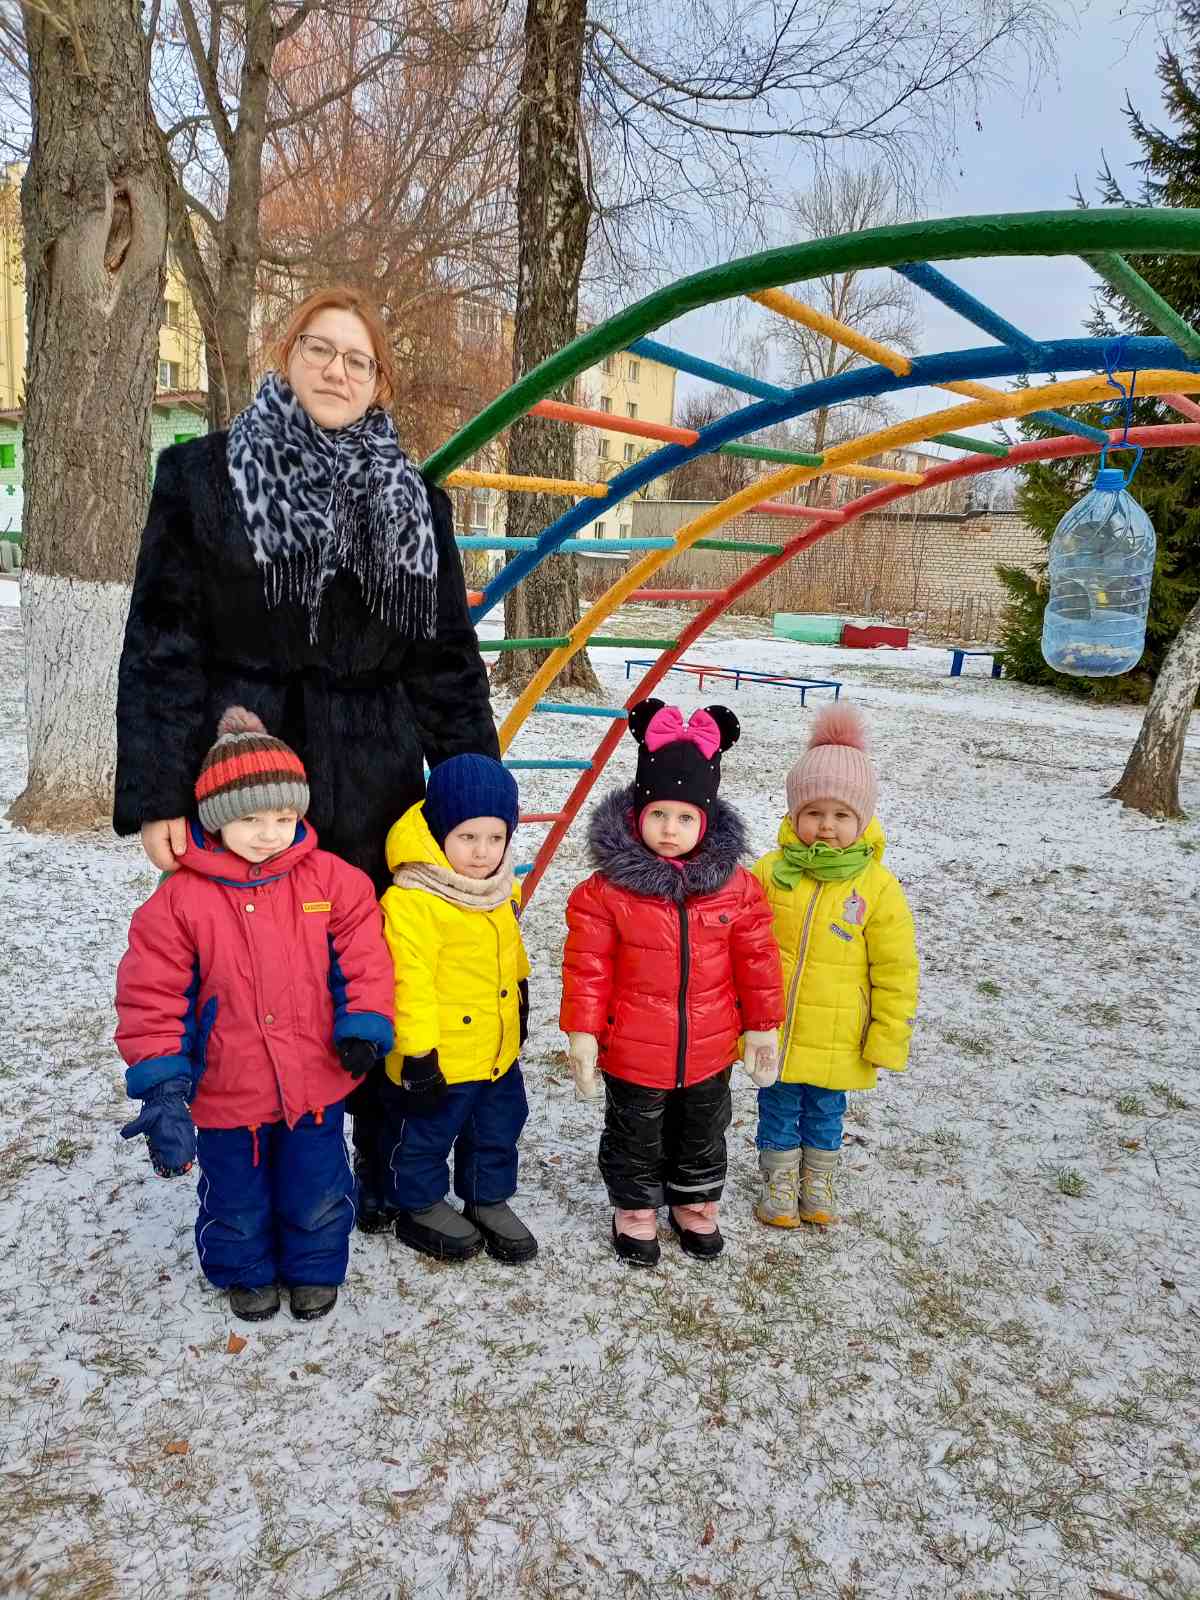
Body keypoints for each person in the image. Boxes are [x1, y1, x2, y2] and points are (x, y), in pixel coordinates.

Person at [113, 286, 497, 1232]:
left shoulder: (416, 501)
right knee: (254, 976)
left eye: (358, 360)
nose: (336, 370)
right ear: (285, 357)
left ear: (379, 382)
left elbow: (445, 660)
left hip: (376, 771)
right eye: (320, 349)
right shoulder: (203, 478)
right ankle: (255, 1167)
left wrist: (472, 796)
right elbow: (162, 642)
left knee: (371, 963)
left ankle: (380, 1168)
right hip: (247, 773)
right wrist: (159, 794)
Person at [115, 708, 395, 1322]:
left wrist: (364, 1022)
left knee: (317, 1182)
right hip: (228, 1086)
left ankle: (315, 1265)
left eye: (283, 817)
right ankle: (245, 1271)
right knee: (235, 1193)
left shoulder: (333, 881)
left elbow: (365, 957)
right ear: (217, 818)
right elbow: (152, 995)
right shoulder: (181, 900)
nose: (269, 834)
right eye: (250, 819)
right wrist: (163, 1083)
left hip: (314, 1078)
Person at [560, 701, 784, 1266]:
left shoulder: (737, 889)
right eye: (658, 814)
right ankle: (635, 1208)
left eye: (685, 818)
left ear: (705, 821)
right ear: (638, 813)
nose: (669, 829)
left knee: (703, 1129)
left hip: (709, 1046)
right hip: (634, 1049)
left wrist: (762, 1027)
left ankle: (695, 1201)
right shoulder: (606, 893)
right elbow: (588, 967)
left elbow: (757, 960)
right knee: (635, 1132)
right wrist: (583, 1033)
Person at [751, 704, 918, 1229]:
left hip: (841, 1032)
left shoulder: (877, 887)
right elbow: (740, 944)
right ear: (793, 814)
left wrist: (887, 1035)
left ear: (862, 820)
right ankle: (779, 1184)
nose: (826, 826)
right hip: (778, 1029)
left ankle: (817, 1182)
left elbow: (896, 969)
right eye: (814, 812)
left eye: (842, 815)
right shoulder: (770, 872)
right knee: (778, 1106)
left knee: (826, 1109)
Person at [377, 755, 536, 1264]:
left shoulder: (500, 888)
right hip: (438, 1057)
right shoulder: (413, 901)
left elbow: (510, 953)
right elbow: (408, 984)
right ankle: (418, 1203)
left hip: (494, 1050)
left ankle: (486, 1197)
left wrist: (520, 999)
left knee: (498, 1127)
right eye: (467, 837)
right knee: (425, 1134)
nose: (482, 852)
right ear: (439, 832)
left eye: (495, 837)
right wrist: (417, 1053)